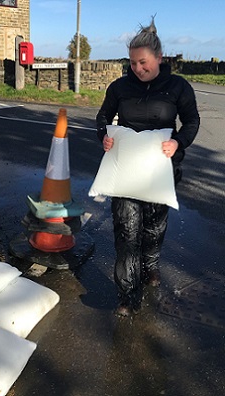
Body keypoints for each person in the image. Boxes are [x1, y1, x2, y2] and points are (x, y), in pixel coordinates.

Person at [95, 17, 200, 317]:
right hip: (126, 170)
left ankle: (151, 265)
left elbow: (192, 121)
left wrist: (178, 142)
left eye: (143, 63)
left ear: (159, 59)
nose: (138, 69)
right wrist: (104, 137)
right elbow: (102, 118)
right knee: (127, 231)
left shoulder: (178, 86)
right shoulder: (119, 87)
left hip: (160, 169)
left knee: (153, 227)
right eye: (133, 63)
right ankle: (127, 296)